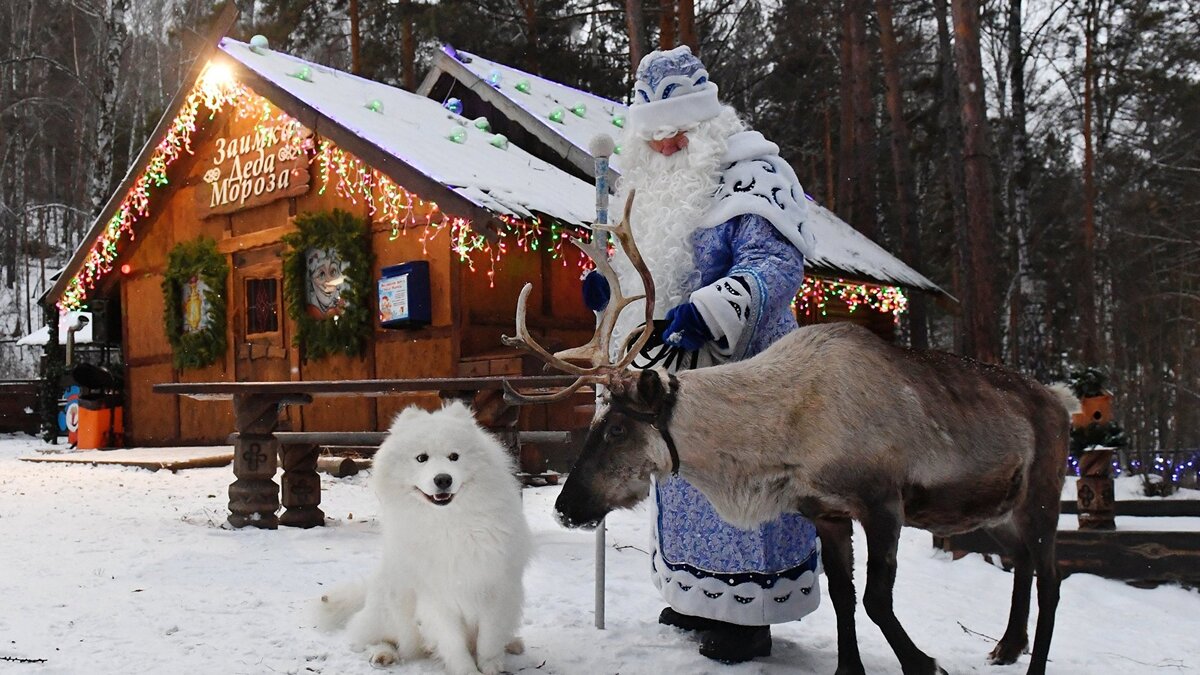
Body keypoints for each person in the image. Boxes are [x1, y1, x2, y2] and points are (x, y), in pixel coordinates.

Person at [582, 46, 822, 664]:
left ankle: (749, 615)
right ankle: (695, 596)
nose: (665, 146)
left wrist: (712, 309)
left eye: (678, 132)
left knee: (742, 490)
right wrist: (609, 292)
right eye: (655, 135)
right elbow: (640, 274)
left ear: (707, 123)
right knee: (684, 486)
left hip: (746, 376)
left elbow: (774, 265)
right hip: (667, 375)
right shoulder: (638, 189)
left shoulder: (756, 174)